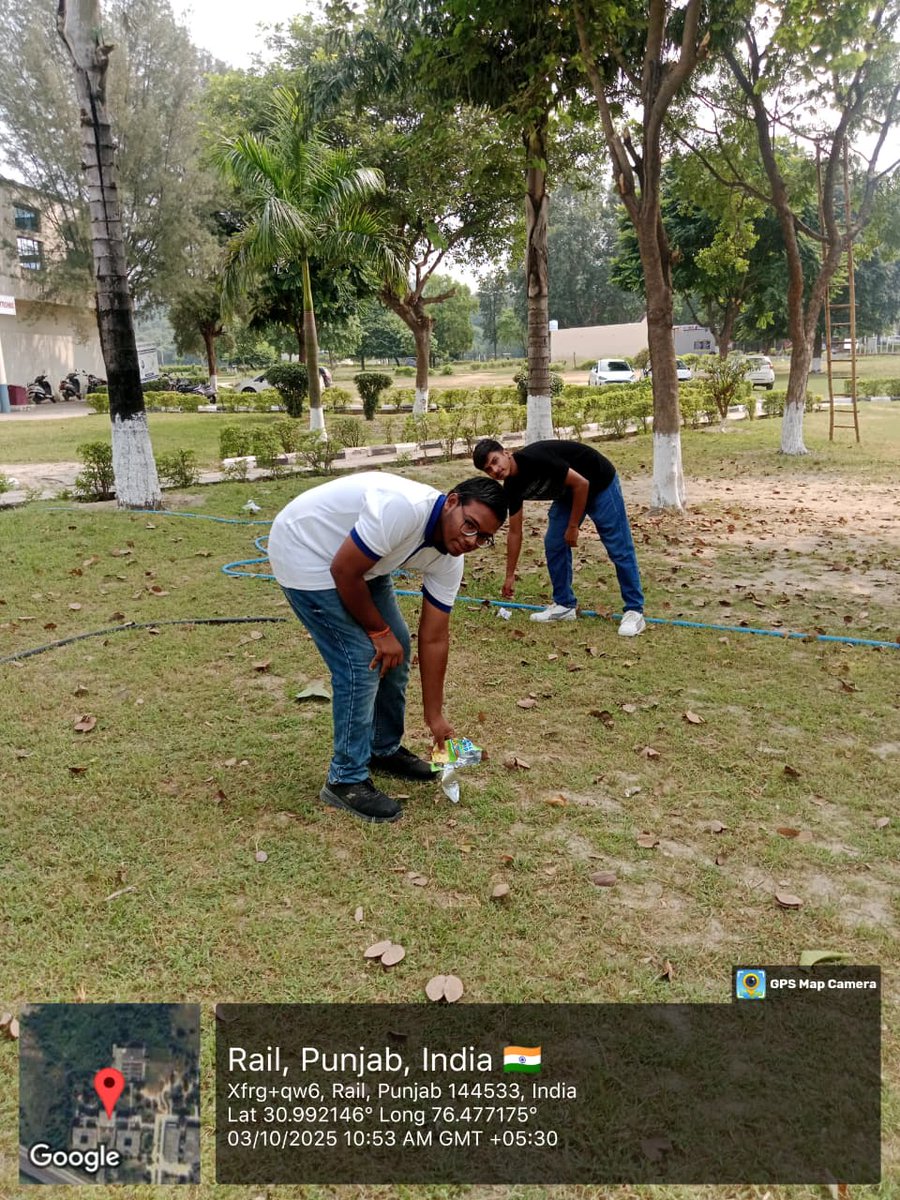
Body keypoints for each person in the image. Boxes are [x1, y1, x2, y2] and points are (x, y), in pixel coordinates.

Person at [267, 471, 508, 823]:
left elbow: (434, 637)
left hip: (363, 564)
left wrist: (435, 716)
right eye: (470, 525)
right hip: (304, 549)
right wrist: (378, 632)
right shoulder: (404, 509)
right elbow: (343, 571)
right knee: (362, 660)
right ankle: (345, 779)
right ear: (452, 501)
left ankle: (382, 747)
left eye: (484, 537)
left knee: (399, 650)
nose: (471, 540)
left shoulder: (450, 560)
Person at [473, 438, 646, 636]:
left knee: (618, 546)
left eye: (495, 461)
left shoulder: (535, 458)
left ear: (506, 452)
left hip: (599, 483)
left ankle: (635, 611)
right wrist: (510, 575)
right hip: (570, 493)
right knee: (554, 543)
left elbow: (582, 483)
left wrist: (573, 526)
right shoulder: (512, 487)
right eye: (488, 469)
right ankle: (564, 605)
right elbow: (515, 532)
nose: (495, 470)